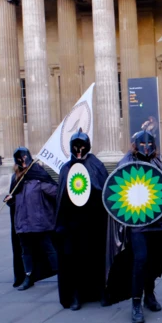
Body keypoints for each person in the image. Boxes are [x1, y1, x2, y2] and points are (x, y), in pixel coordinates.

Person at [117, 130, 162, 323]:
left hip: (159, 222)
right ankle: (136, 302)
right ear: (135, 145)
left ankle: (149, 294)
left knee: (154, 261)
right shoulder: (126, 162)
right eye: (142, 144)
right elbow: (120, 190)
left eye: (150, 145)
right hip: (138, 222)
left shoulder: (157, 162)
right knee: (140, 260)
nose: (146, 148)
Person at [55, 128, 109, 310]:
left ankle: (101, 291)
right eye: (75, 147)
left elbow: (104, 190)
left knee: (97, 258)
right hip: (72, 224)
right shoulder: (66, 169)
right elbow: (61, 197)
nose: (79, 150)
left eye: (82, 146)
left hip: (94, 222)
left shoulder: (97, 165)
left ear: (87, 146)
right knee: (74, 260)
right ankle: (76, 295)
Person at [5, 147, 59, 291]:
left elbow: (55, 192)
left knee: (49, 249)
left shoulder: (38, 175)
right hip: (23, 222)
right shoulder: (16, 178)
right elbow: (14, 199)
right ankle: (28, 277)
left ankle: (62, 275)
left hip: (40, 222)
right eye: (20, 159)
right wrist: (9, 200)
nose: (23, 162)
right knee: (26, 251)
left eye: (24, 158)